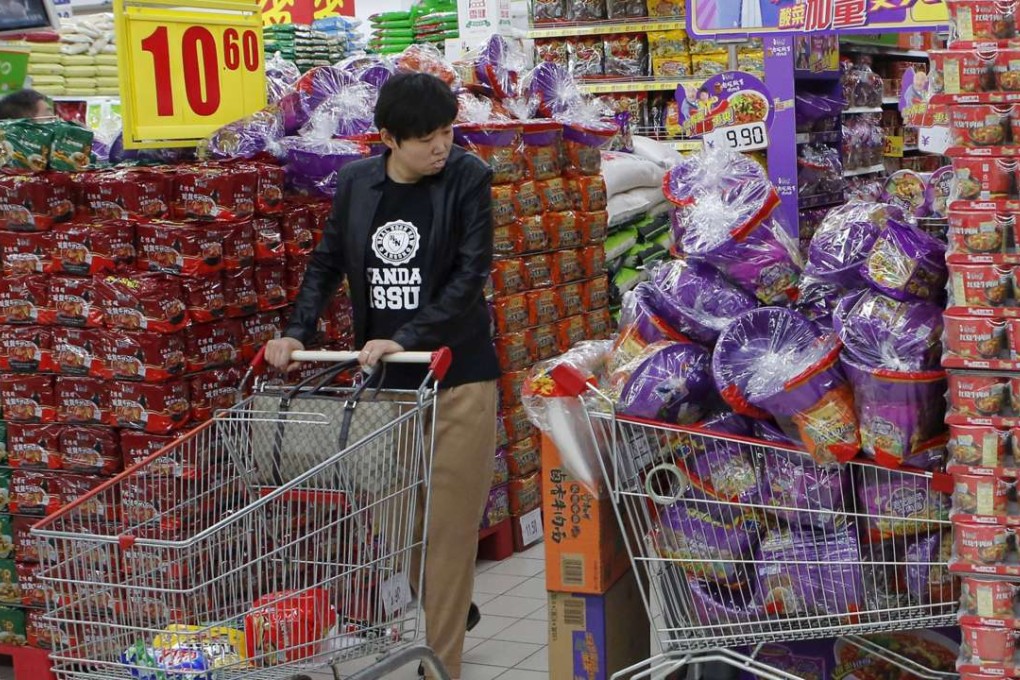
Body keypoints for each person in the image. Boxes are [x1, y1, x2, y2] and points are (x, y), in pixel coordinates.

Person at [264, 72, 499, 680]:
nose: (441, 148)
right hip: (385, 389)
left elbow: (469, 277)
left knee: (446, 536)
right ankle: (450, 606)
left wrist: (409, 338)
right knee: (399, 530)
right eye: (426, 138)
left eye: (447, 132)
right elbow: (327, 263)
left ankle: (438, 663)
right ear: (389, 138)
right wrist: (297, 331)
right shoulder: (356, 183)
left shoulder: (469, 178)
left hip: (457, 377)